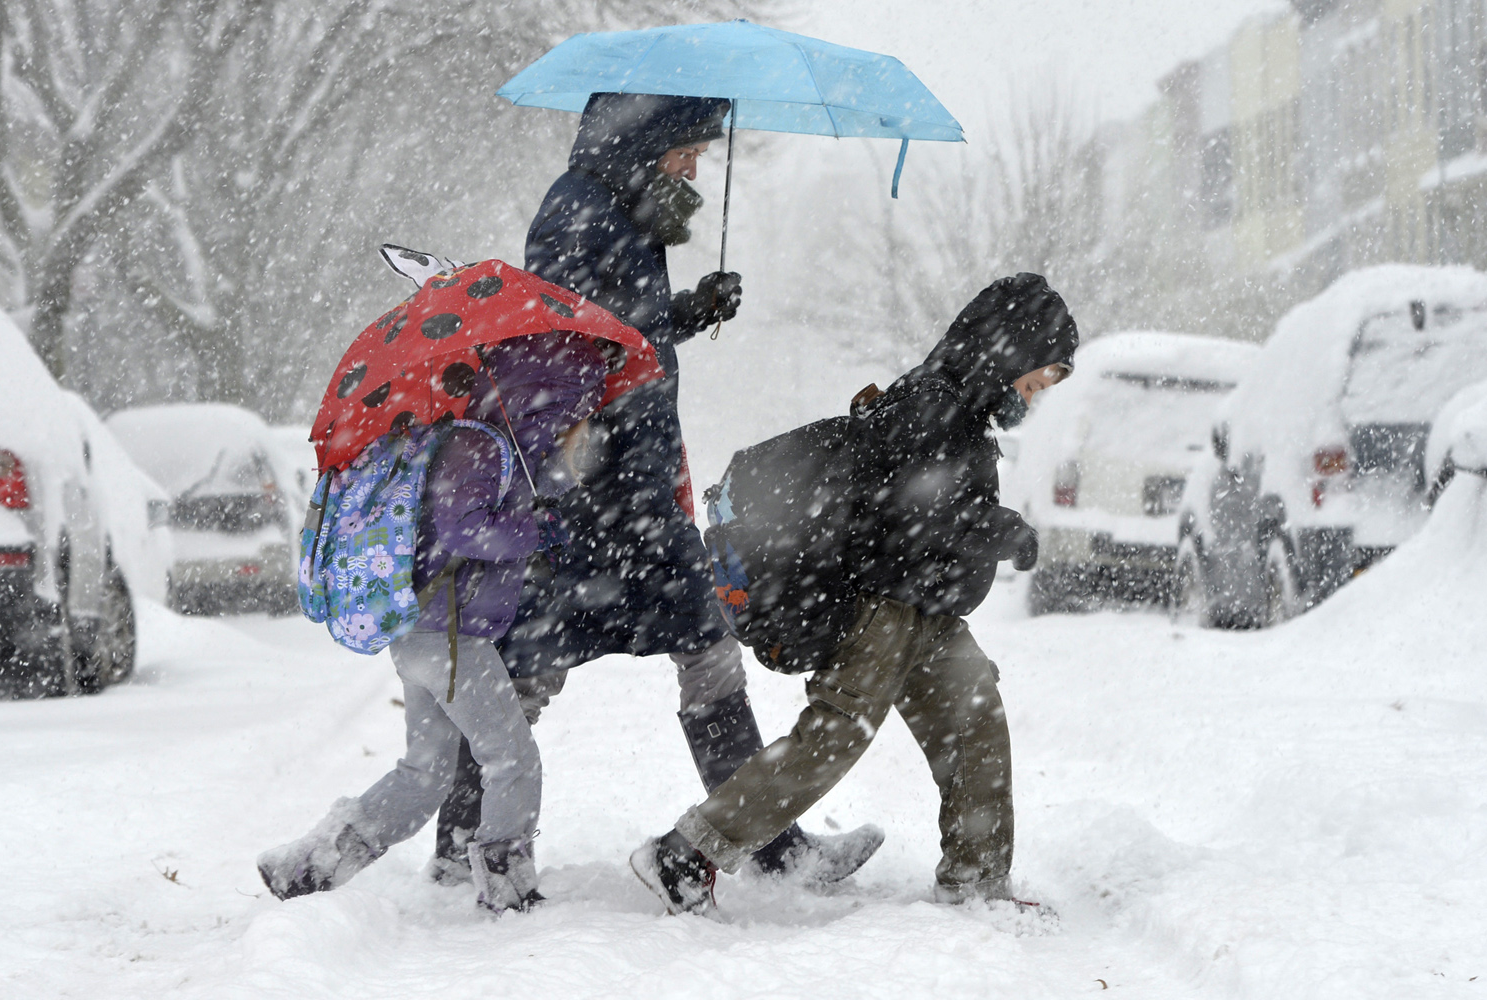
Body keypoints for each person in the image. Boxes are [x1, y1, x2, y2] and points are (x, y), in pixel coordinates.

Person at [431, 91, 882, 884]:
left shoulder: (620, 205)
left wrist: (682, 311)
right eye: (688, 149)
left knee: (699, 653)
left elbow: (618, 327)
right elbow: (566, 341)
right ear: (649, 143)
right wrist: (651, 329)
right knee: (534, 672)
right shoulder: (580, 212)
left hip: (627, 486)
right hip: (591, 496)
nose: (697, 165)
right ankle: (462, 847)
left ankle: (767, 846)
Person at [629, 273, 1078, 915]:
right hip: (883, 610)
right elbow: (912, 512)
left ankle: (976, 884)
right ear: (1007, 354)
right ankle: (685, 851)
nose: (1031, 399)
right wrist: (999, 529)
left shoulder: (965, 413)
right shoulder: (928, 402)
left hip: (931, 612)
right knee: (831, 740)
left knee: (976, 723)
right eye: (1032, 382)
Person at [257, 331, 610, 914]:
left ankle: (308, 865)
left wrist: (547, 502)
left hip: (428, 634)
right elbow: (462, 529)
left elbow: (486, 510)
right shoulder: (475, 446)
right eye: (574, 406)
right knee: (511, 760)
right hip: (451, 637)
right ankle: (507, 885)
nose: (580, 420)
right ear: (543, 400)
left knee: (424, 775)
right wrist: (535, 534)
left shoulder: (498, 446)